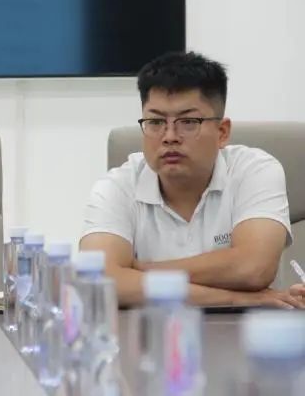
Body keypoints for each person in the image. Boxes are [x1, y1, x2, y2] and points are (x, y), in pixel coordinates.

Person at [80, 52, 304, 309]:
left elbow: (254, 269)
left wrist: (139, 271)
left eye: (188, 122)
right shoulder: (116, 187)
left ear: (222, 132)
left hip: (244, 329)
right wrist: (241, 298)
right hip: (151, 329)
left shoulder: (254, 170)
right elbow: (100, 282)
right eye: (155, 122)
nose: (169, 136)